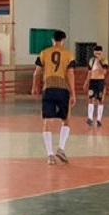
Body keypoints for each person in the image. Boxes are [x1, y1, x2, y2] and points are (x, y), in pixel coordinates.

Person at [32, 30, 76, 165]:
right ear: (63, 40)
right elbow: (70, 74)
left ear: (52, 40)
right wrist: (73, 93)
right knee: (66, 120)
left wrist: (34, 87)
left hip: (48, 88)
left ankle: (50, 155)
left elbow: (36, 73)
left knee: (47, 121)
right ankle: (61, 148)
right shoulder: (68, 54)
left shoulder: (44, 53)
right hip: (62, 89)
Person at [83, 45, 108, 127]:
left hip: (100, 81)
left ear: (101, 52)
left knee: (100, 100)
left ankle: (98, 120)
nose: (97, 54)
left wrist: (99, 63)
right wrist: (86, 82)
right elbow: (89, 72)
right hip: (92, 81)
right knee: (91, 98)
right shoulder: (91, 60)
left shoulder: (104, 60)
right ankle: (90, 118)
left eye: (99, 53)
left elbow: (104, 72)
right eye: (96, 53)